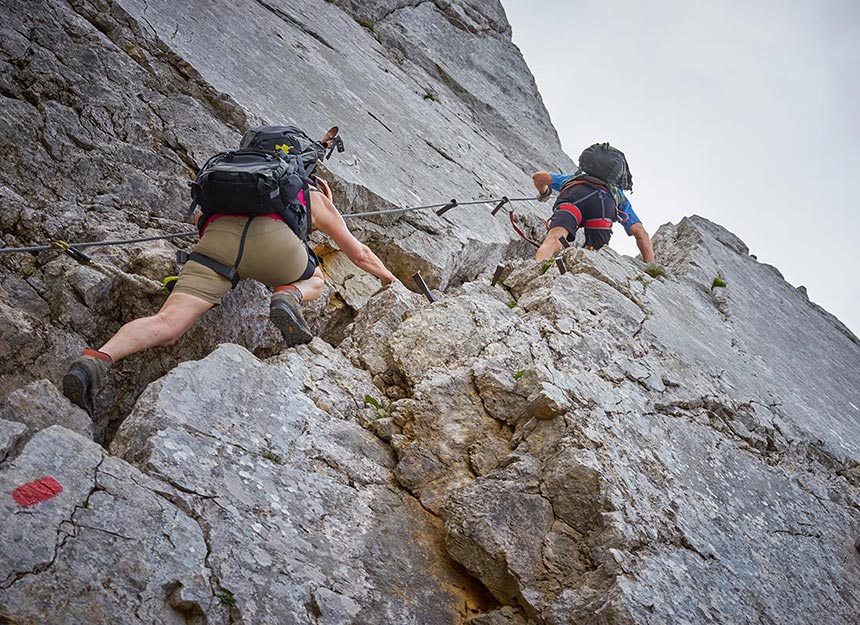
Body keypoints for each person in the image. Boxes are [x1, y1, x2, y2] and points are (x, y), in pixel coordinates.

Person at [62, 141, 395, 416]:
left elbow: (199, 220)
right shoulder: (313, 197)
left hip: (214, 248)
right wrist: (389, 280)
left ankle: (94, 361)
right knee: (317, 278)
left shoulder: (228, 180)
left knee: (167, 323)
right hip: (274, 249)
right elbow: (359, 254)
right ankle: (288, 295)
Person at [531, 154, 654, 264]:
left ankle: (538, 268)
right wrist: (651, 269)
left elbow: (538, 177)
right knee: (592, 254)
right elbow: (641, 234)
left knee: (554, 238)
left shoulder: (574, 179)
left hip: (574, 196)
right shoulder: (617, 194)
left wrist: (544, 193)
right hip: (604, 205)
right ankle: (584, 265)